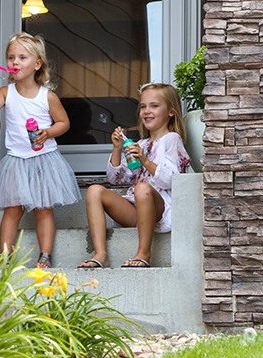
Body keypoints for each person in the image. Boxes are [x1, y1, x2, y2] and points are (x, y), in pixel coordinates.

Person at [0, 32, 79, 268]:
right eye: (11, 57)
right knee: (12, 210)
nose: (15, 62)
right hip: (17, 160)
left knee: (43, 209)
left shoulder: (47, 96)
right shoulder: (6, 93)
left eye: (22, 57)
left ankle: (45, 255)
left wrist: (48, 132)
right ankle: (5, 257)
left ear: (37, 64)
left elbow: (64, 123)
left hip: (44, 159)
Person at [77, 83, 190, 269]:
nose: (147, 111)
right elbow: (117, 179)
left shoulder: (172, 139)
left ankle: (144, 253)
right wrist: (117, 149)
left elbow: (172, 180)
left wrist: (145, 160)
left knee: (142, 188)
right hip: (135, 210)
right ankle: (100, 254)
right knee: (94, 190)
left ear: (171, 111)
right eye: (143, 106)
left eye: (154, 106)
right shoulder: (141, 144)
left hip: (160, 209)